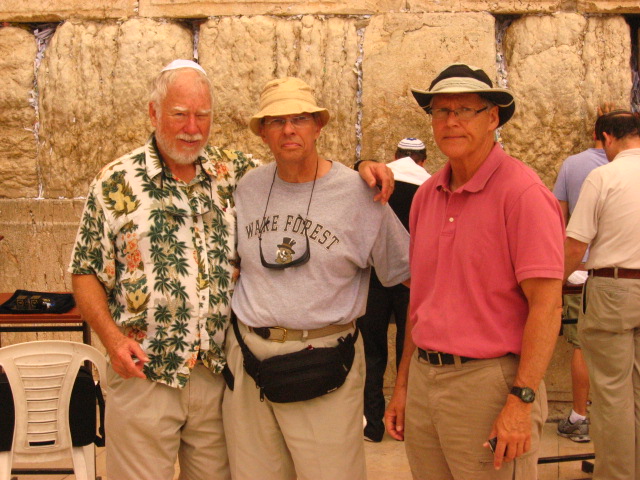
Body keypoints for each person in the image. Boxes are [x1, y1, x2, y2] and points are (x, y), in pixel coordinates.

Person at [68, 61, 394, 480]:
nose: (191, 127)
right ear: (153, 113)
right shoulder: (116, 182)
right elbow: (84, 271)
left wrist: (363, 167)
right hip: (143, 374)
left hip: (216, 376)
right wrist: (111, 340)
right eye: (179, 113)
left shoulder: (234, 174)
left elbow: (299, 164)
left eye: (202, 115)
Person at [222, 77, 411, 480]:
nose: (288, 130)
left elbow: (410, 275)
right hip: (250, 359)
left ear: (318, 126)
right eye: (275, 121)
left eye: (300, 119)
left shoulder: (361, 194)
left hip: (325, 363)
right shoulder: (247, 187)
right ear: (263, 133)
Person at [385, 63, 565, 479]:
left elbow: (547, 306)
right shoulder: (428, 194)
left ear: (492, 118)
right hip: (428, 380)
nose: (451, 121)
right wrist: (404, 386)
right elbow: (420, 302)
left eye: (464, 110)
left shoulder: (523, 194)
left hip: (490, 383)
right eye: (440, 112)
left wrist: (520, 400)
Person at [564, 110, 640, 480]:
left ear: (607, 138)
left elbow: (576, 242)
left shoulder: (604, 175)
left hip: (614, 287)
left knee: (611, 394)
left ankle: (616, 474)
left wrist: (552, 283)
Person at [359, 137, 430, 443]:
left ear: (395, 155)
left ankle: (372, 425)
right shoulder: (430, 187)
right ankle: (404, 423)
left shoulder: (377, 182)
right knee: (408, 352)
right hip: (413, 283)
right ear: (423, 160)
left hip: (374, 281)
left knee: (372, 353)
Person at [552, 109, 611, 442]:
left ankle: (579, 416)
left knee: (581, 344)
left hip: (579, 270)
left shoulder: (572, 165)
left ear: (597, 133)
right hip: (623, 272)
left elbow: (558, 219)